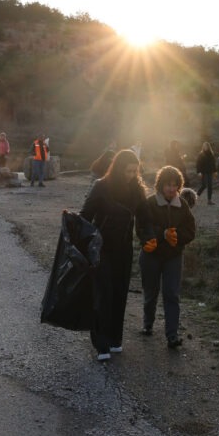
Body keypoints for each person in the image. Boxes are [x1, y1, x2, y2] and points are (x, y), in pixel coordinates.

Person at [81, 149, 147, 361]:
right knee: (104, 294)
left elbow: (145, 218)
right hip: (102, 249)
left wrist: (151, 237)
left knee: (120, 293)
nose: (130, 175)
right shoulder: (102, 186)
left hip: (124, 248)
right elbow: (85, 216)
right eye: (127, 171)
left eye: (134, 172)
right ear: (118, 168)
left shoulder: (137, 190)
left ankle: (115, 339)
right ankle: (101, 343)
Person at [136, 165, 196, 349]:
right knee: (151, 292)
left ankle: (172, 335)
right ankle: (148, 324)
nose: (171, 189)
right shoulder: (150, 203)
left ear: (179, 185)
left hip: (173, 257)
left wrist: (177, 237)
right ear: (160, 185)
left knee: (171, 294)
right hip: (151, 256)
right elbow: (141, 227)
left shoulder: (182, 205)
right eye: (167, 185)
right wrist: (159, 235)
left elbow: (190, 231)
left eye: (174, 185)